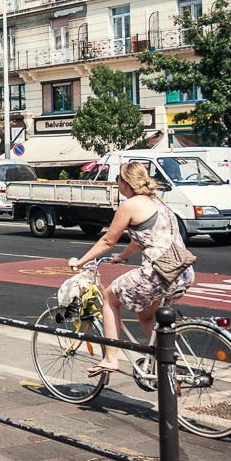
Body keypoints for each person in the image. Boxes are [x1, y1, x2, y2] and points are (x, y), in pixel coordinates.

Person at [67, 161, 195, 377]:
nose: (116, 182)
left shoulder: (129, 205)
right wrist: (123, 257)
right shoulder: (158, 202)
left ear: (125, 182)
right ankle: (167, 364)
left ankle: (110, 358)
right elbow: (143, 236)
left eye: (117, 178)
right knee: (146, 316)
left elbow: (107, 241)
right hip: (182, 272)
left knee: (109, 297)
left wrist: (80, 262)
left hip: (157, 273)